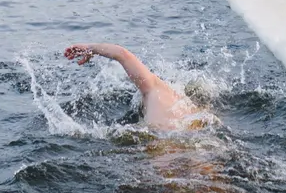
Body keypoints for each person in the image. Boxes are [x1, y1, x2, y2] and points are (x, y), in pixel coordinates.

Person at [64, 42, 200, 131]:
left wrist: (90, 48)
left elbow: (122, 54)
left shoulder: (155, 91)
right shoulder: (191, 112)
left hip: (161, 145)